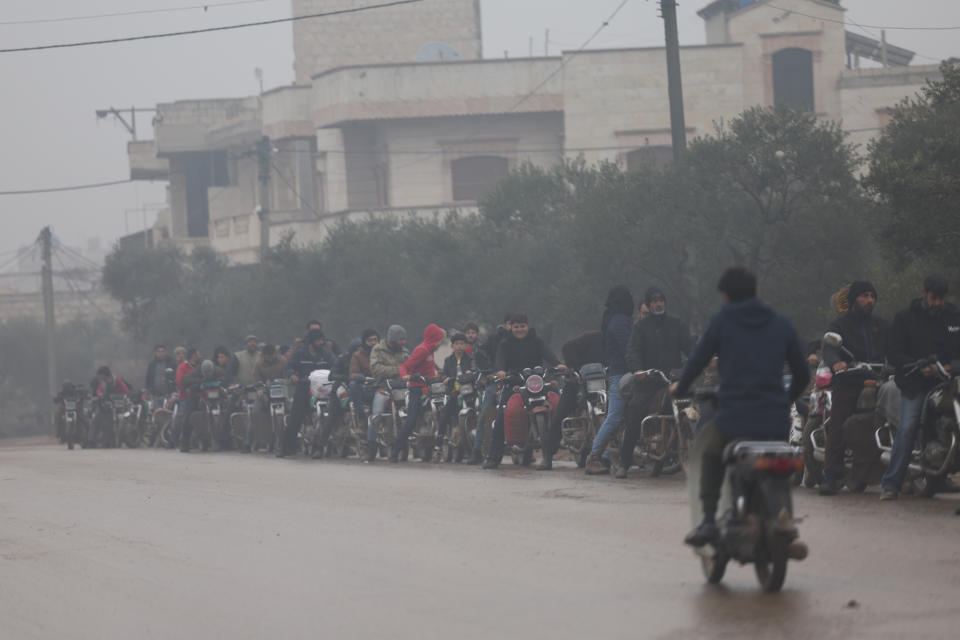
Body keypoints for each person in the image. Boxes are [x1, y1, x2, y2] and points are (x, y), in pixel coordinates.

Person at [671, 267, 809, 546]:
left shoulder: (723, 320)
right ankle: (780, 513)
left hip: (735, 418)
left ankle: (709, 521)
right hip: (775, 421)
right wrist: (785, 399)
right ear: (757, 291)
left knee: (710, 453)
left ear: (725, 296)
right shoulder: (781, 323)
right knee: (778, 458)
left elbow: (697, 360)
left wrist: (681, 388)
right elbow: (803, 375)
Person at [880, 275, 960, 501]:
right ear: (923, 292)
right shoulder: (905, 318)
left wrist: (949, 365)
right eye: (934, 298)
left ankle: (942, 469)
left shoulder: (954, 316)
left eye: (941, 299)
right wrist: (918, 366)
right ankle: (891, 483)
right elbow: (893, 352)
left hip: (950, 382)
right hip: (917, 384)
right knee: (908, 427)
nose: (938, 303)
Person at [819, 281, 889, 496]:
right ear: (853, 300)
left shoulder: (880, 324)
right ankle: (832, 475)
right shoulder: (839, 324)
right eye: (864, 296)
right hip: (850, 381)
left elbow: (895, 346)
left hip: (879, 379)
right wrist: (837, 363)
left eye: (872, 296)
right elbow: (829, 349)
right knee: (838, 423)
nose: (870, 300)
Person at [618, 286, 695, 476]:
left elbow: (690, 346)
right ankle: (624, 463)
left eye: (661, 300)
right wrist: (637, 370)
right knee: (634, 415)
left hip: (673, 380)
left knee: (698, 403)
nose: (658, 303)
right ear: (648, 304)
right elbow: (632, 351)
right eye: (654, 300)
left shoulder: (676, 324)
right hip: (649, 381)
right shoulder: (640, 327)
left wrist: (702, 359)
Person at [484, 313, 564, 469]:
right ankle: (494, 457)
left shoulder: (537, 341)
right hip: (514, 383)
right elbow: (500, 360)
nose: (520, 329)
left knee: (558, 400)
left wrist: (558, 364)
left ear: (527, 326)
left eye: (522, 326)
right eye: (516, 327)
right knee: (501, 417)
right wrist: (500, 371)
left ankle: (558, 442)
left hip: (537, 382)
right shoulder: (505, 344)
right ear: (511, 328)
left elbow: (549, 354)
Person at [538, 329, 605, 471]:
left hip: (603, 384)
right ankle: (547, 456)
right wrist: (574, 369)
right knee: (559, 414)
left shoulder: (622, 344)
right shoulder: (594, 337)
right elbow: (567, 347)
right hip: (577, 382)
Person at [586, 285, 635, 476]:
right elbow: (628, 348)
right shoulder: (620, 321)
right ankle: (595, 457)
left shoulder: (612, 319)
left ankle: (605, 454)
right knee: (614, 416)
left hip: (618, 372)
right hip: (623, 374)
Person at [394, 324, 445, 462]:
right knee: (410, 421)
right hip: (416, 388)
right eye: (439, 339)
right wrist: (405, 375)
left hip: (431, 388)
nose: (440, 342)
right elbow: (405, 366)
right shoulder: (422, 350)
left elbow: (429, 368)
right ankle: (395, 450)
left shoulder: (430, 350)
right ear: (434, 338)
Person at [281, 328, 335, 457]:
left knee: (327, 416)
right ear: (311, 341)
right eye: (319, 340)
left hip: (322, 390)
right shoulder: (300, 354)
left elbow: (334, 365)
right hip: (304, 389)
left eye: (322, 340)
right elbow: (289, 367)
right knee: (295, 418)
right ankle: (286, 447)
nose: (321, 342)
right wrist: (293, 375)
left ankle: (321, 446)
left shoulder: (325, 354)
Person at [468, 314, 514, 465]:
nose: (514, 328)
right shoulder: (494, 339)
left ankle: (524, 447)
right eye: (510, 324)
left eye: (518, 325)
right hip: (495, 383)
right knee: (485, 414)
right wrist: (488, 372)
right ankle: (476, 450)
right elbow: (481, 353)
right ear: (505, 324)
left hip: (517, 383)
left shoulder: (525, 341)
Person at [369, 325, 411, 462]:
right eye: (400, 339)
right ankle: (370, 447)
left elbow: (410, 366)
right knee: (376, 415)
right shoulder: (377, 350)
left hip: (401, 387)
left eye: (404, 339)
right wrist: (397, 370)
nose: (403, 342)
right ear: (392, 339)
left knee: (410, 409)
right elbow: (375, 369)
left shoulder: (405, 352)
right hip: (383, 387)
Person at [440, 333, 476, 450]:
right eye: (456, 344)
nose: (459, 346)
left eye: (462, 344)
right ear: (452, 346)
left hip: (468, 392)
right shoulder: (448, 360)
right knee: (445, 415)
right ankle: (439, 442)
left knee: (476, 411)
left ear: (465, 345)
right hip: (454, 392)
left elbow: (474, 370)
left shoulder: (470, 359)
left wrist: (471, 373)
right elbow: (444, 374)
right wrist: (445, 378)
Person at [348, 329, 380, 460]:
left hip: (382, 387)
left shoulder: (382, 353)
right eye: (369, 340)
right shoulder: (357, 356)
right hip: (366, 389)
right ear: (364, 342)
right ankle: (361, 417)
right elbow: (352, 374)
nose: (372, 343)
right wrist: (360, 377)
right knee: (353, 385)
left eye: (375, 340)